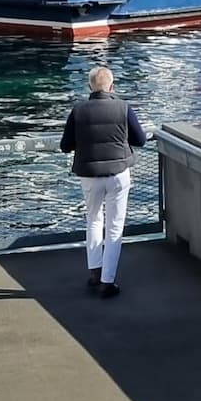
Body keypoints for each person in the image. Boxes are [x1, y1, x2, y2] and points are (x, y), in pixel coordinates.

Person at [60, 68, 147, 299]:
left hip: (89, 174)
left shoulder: (78, 110)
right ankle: (108, 282)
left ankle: (94, 273)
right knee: (115, 227)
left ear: (90, 87)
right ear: (112, 85)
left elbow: (65, 145)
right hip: (118, 174)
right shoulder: (123, 108)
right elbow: (140, 139)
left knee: (93, 220)